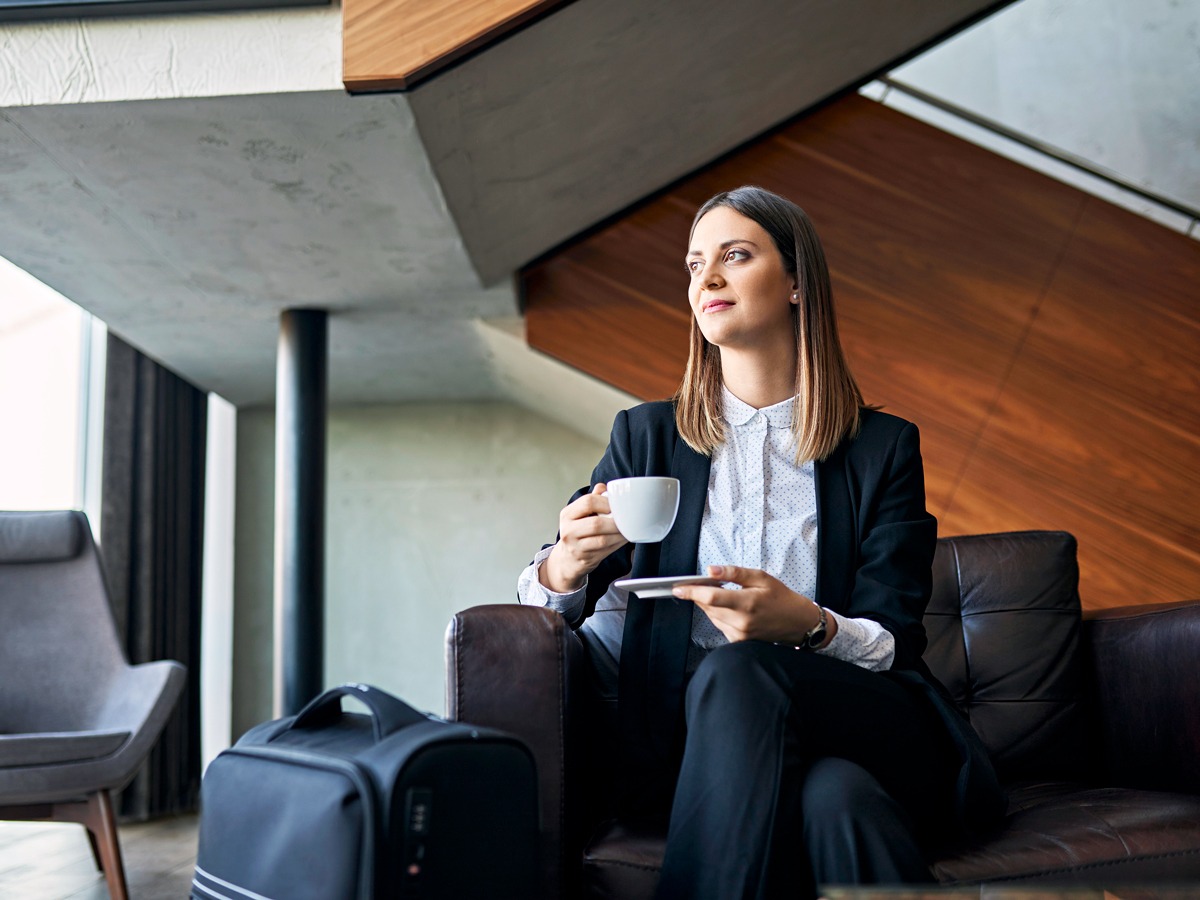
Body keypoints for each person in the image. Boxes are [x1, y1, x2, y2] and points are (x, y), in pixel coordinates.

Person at [517, 185, 1004, 900]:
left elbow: (895, 639)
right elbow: (548, 606)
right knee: (837, 802)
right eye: (693, 265)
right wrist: (563, 564)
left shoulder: (882, 448)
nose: (706, 278)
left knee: (743, 669)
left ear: (798, 282)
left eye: (734, 256)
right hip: (715, 751)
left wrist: (806, 626)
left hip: (873, 722)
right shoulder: (645, 437)